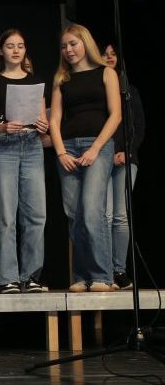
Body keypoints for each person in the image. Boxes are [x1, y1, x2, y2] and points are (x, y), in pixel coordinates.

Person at [49, 24, 121, 293]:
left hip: (97, 146)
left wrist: (96, 148)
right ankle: (81, 275)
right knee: (74, 215)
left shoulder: (107, 73)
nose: (68, 50)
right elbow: (54, 120)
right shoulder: (61, 78)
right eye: (64, 46)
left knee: (92, 210)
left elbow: (115, 115)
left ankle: (102, 275)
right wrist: (60, 152)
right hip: (67, 147)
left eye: (73, 44)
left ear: (85, 43)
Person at [0, 30, 48, 294]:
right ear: (1, 51)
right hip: (5, 146)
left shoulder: (35, 81)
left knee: (36, 214)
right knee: (5, 214)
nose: (16, 50)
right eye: (10, 46)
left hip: (32, 145)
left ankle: (31, 275)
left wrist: (44, 126)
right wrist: (2, 127)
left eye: (20, 46)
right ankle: (7, 276)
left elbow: (43, 122)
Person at [102, 42, 144, 290]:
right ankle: (104, 269)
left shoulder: (130, 92)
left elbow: (139, 127)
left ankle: (119, 269)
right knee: (104, 216)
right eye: (105, 54)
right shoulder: (100, 88)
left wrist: (126, 152)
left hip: (127, 160)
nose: (109, 57)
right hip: (103, 157)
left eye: (113, 53)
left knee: (120, 215)